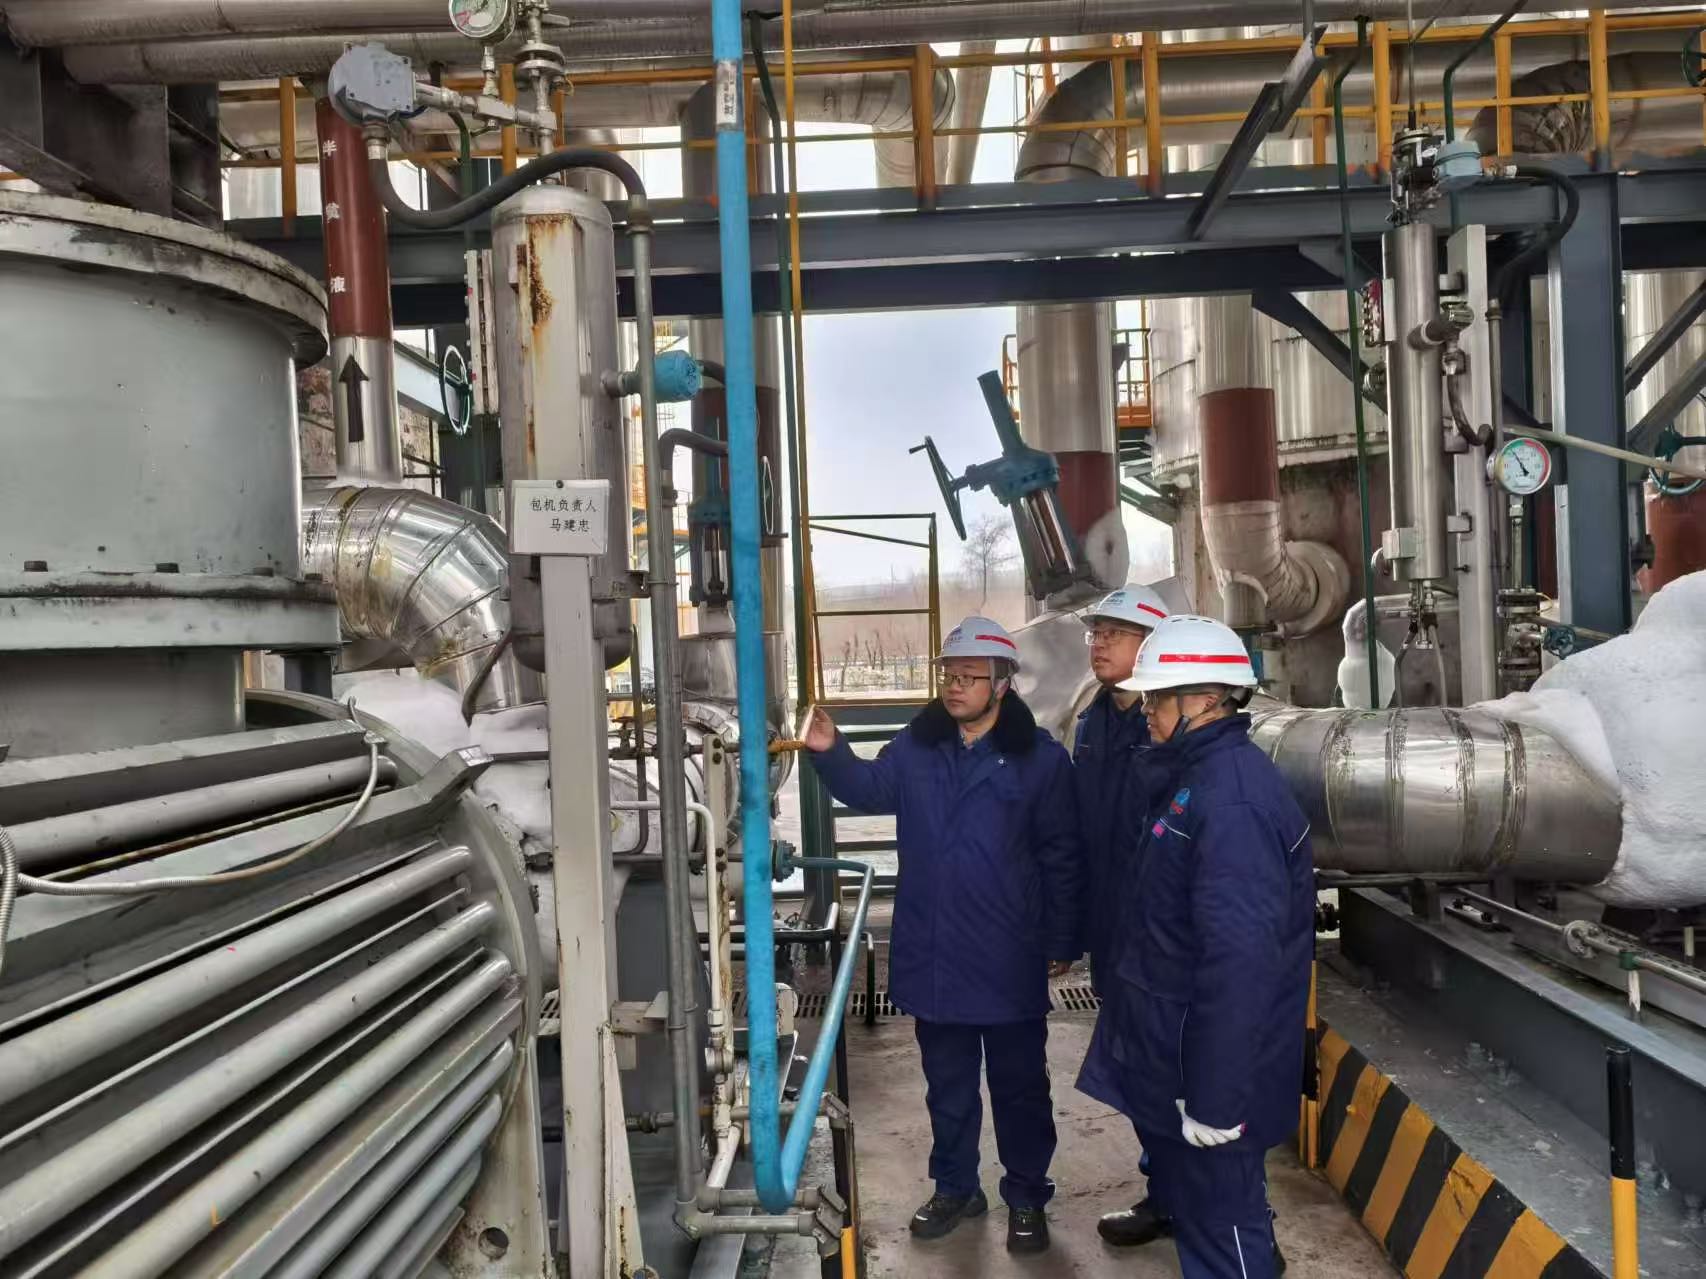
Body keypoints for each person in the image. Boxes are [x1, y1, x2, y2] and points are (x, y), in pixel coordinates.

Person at [803, 615, 1082, 1255]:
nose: (954, 686)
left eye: (969, 677)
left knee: (1020, 1089)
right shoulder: (917, 747)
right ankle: (956, 1187)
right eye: (949, 675)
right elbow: (869, 789)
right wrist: (830, 749)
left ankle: (1027, 1197)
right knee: (948, 1088)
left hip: (1009, 953)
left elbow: (1064, 856)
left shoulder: (1040, 761)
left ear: (1002, 684)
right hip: (936, 952)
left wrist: (1063, 939)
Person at [1077, 615, 1313, 1279]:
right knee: (1212, 1219)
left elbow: (1241, 967)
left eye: (1158, 698)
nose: (1147, 711)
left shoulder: (1231, 802)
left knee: (1223, 1233)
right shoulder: (1192, 779)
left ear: (1205, 701)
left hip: (1208, 1073)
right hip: (1177, 1053)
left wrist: (1215, 1098)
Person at [1069, 584, 1179, 1250]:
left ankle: (1223, 1206)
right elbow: (1082, 837)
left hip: (1165, 936)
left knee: (1185, 1068)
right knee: (1138, 1067)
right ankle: (1165, 1194)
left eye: (1115, 632)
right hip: (1114, 933)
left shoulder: (1172, 729)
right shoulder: (1094, 721)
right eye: (1096, 632)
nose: (1099, 643)